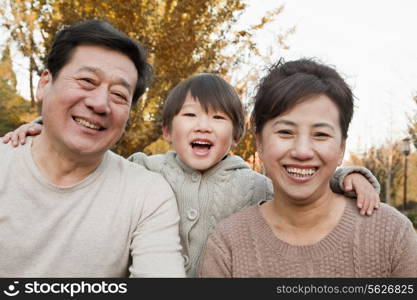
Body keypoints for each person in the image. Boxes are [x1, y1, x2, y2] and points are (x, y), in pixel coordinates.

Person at [2, 73, 381, 278]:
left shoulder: (252, 185)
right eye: (190, 115)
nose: (203, 126)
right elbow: (92, 154)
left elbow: (297, 182)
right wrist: (40, 127)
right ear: (168, 131)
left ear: (235, 136)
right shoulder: (143, 168)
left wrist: (345, 177)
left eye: (217, 119)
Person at [0, 19, 185, 277]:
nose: (100, 104)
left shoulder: (147, 195)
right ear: (44, 84)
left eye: (119, 95)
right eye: (87, 80)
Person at [200, 58, 417, 277]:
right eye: (285, 132)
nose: (302, 151)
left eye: (321, 135)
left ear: (341, 148)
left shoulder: (391, 233)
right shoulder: (228, 245)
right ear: (260, 142)